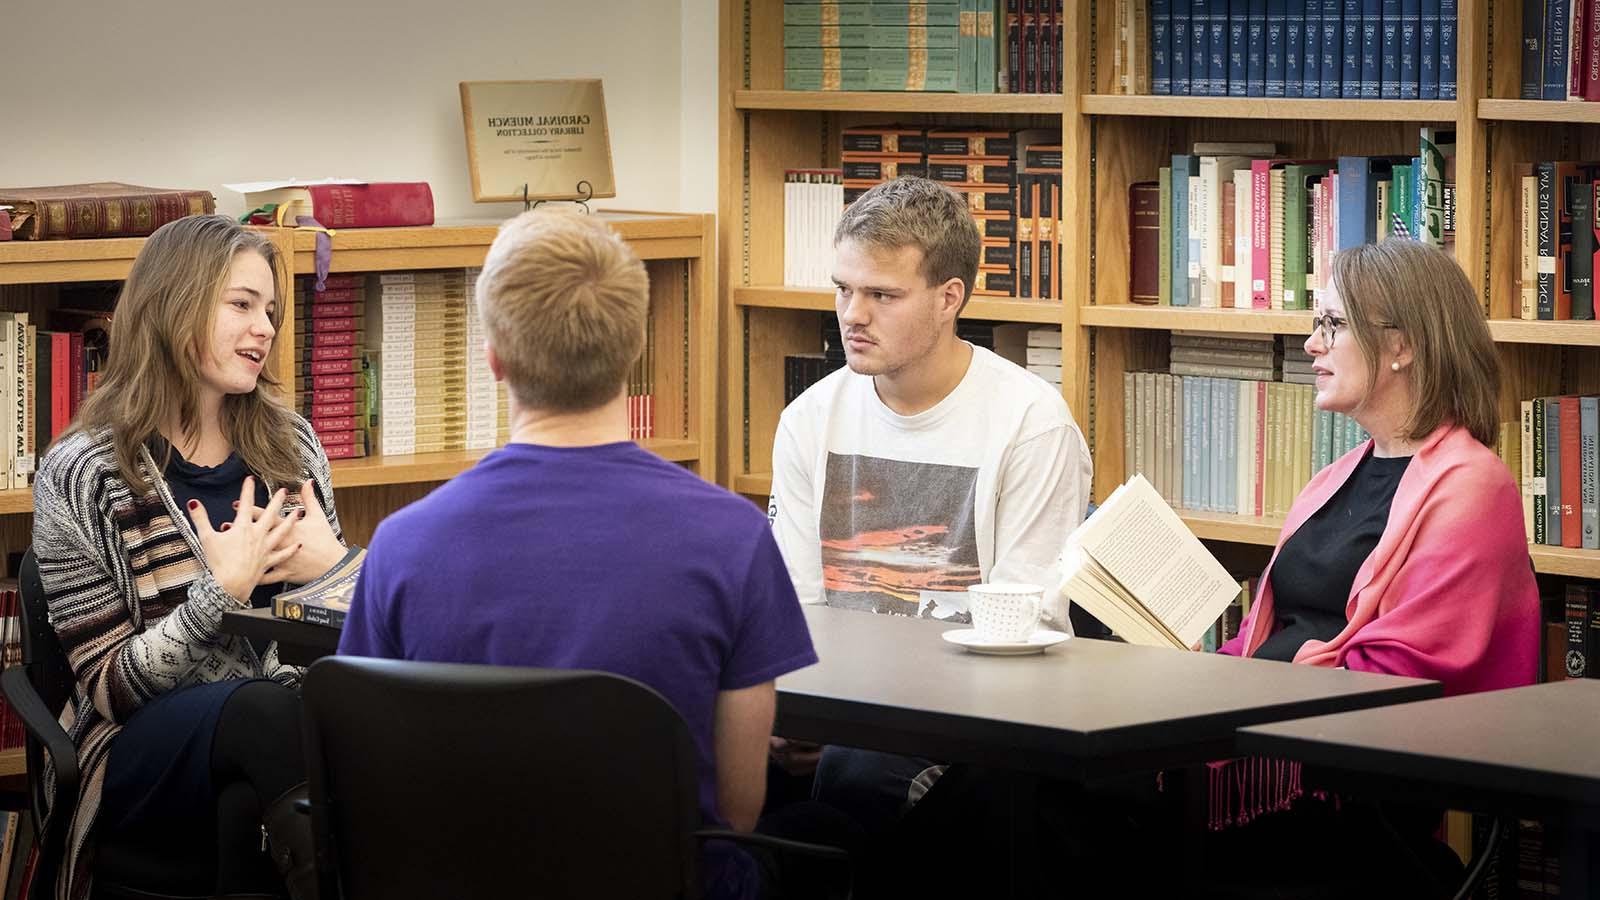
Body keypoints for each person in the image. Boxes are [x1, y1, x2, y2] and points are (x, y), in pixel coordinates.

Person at [337, 209, 825, 900]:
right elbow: (738, 811)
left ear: (494, 357)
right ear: (633, 350)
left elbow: (375, 784)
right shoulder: (733, 538)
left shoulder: (403, 544)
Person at [32, 214, 357, 900]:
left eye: (269, 309)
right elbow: (110, 689)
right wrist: (221, 593)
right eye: (241, 305)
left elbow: (352, 638)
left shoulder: (292, 447)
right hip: (141, 746)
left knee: (252, 799)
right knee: (265, 713)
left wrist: (339, 568)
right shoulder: (84, 471)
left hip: (280, 738)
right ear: (174, 305)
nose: (265, 328)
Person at [765, 175, 1092, 842]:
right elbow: (797, 611)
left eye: (882, 295)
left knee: (852, 782)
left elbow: (1018, 634)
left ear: (950, 299)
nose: (852, 315)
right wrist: (794, 717)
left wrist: (856, 730)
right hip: (840, 703)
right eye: (843, 289)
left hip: (965, 720)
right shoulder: (808, 419)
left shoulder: (1030, 423)